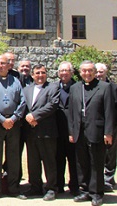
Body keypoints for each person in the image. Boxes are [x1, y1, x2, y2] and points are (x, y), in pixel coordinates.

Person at [68, 60, 115, 206]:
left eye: (90, 71)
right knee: (81, 163)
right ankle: (85, 190)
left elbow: (109, 111)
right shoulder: (75, 88)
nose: (87, 73)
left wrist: (108, 132)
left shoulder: (105, 87)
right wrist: (71, 131)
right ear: (80, 72)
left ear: (94, 72)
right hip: (79, 131)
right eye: (84, 71)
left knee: (96, 162)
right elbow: (71, 112)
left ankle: (97, 193)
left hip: (97, 130)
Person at [0, 55, 26, 200]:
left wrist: (13, 118)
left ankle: (13, 188)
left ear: (9, 66)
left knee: (13, 156)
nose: (0, 66)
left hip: (13, 124)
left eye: (3, 63)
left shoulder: (16, 81)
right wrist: (2, 119)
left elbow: (22, 102)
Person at [22, 64, 59, 201]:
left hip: (46, 131)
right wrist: (28, 116)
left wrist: (35, 116)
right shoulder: (26, 89)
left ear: (46, 74)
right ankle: (35, 187)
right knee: (33, 161)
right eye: (37, 73)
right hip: (30, 132)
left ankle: (51, 188)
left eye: (43, 72)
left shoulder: (52, 87)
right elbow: (22, 106)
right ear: (32, 75)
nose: (40, 75)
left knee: (49, 161)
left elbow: (53, 104)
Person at [51, 62, 79, 195]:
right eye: (61, 71)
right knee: (58, 159)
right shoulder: (54, 87)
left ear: (72, 72)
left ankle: (74, 186)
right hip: (57, 129)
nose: (64, 73)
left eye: (66, 71)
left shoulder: (78, 87)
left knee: (74, 160)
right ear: (58, 73)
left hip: (73, 130)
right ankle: (59, 185)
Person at [96, 63, 117, 192]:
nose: (98, 74)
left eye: (101, 72)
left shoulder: (114, 88)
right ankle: (98, 180)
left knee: (110, 155)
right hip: (96, 127)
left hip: (112, 126)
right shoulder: (90, 87)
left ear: (106, 72)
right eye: (97, 72)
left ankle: (108, 180)